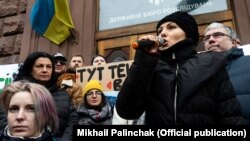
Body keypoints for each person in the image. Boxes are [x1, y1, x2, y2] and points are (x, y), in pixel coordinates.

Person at [114, 11, 243, 125]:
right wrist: (143, 61)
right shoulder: (151, 67)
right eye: (160, 31)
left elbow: (230, 117)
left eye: (171, 28)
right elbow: (127, 111)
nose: (163, 33)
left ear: (188, 34)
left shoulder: (211, 65)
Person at [12, 51, 78, 141]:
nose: (45, 70)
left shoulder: (64, 95)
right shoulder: (15, 93)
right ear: (30, 70)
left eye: (49, 67)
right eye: (39, 66)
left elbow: (72, 121)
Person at [204, 22, 250, 124]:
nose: (211, 40)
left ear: (234, 42)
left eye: (218, 35)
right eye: (206, 38)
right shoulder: (199, 73)